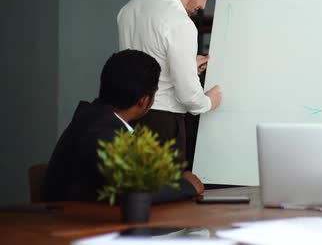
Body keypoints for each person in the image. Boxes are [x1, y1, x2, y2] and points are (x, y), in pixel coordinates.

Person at [44, 50, 204, 203]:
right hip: (75, 226)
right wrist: (185, 186)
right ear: (144, 101)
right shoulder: (102, 133)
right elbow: (135, 190)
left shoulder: (93, 119)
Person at [117, 0, 223, 167]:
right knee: (167, 197)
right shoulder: (180, 22)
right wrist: (209, 101)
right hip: (164, 125)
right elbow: (188, 96)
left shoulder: (130, 8)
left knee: (137, 193)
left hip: (129, 119)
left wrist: (187, 64)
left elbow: (143, 62)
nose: (203, 5)